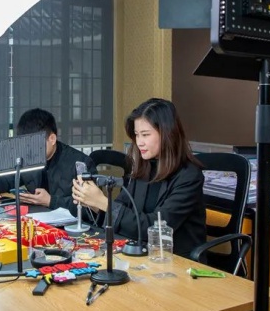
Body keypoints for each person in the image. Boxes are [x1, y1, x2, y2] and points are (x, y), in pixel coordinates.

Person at [71, 97, 206, 257]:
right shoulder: (144, 167)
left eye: (145, 135)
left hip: (175, 259)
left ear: (167, 134)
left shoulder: (189, 176)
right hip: (141, 252)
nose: (139, 142)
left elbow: (154, 229)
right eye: (136, 135)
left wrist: (103, 202)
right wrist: (94, 204)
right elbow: (123, 210)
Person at [0, 108, 96, 216]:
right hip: (36, 221)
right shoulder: (27, 158)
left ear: (52, 139)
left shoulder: (80, 163)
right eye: (26, 144)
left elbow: (92, 210)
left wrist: (50, 201)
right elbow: (6, 178)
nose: (29, 150)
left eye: (35, 144)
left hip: (72, 228)